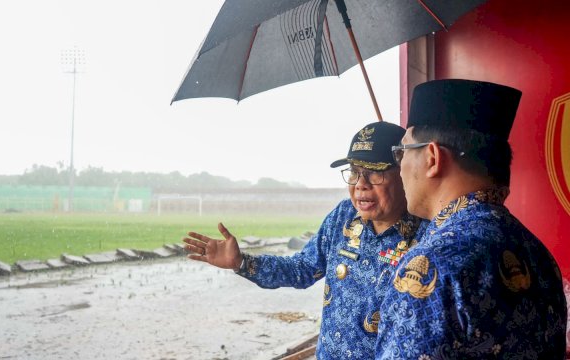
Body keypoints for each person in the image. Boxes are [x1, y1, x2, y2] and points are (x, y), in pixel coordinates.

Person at [183, 121, 428, 359]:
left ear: (405, 173)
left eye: (374, 174)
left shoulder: (428, 234)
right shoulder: (343, 218)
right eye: (354, 173)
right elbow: (301, 269)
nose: (360, 186)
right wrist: (241, 262)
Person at [376, 79, 567, 359]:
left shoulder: (433, 266)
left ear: (432, 158)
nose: (400, 166)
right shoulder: (537, 253)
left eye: (402, 152)